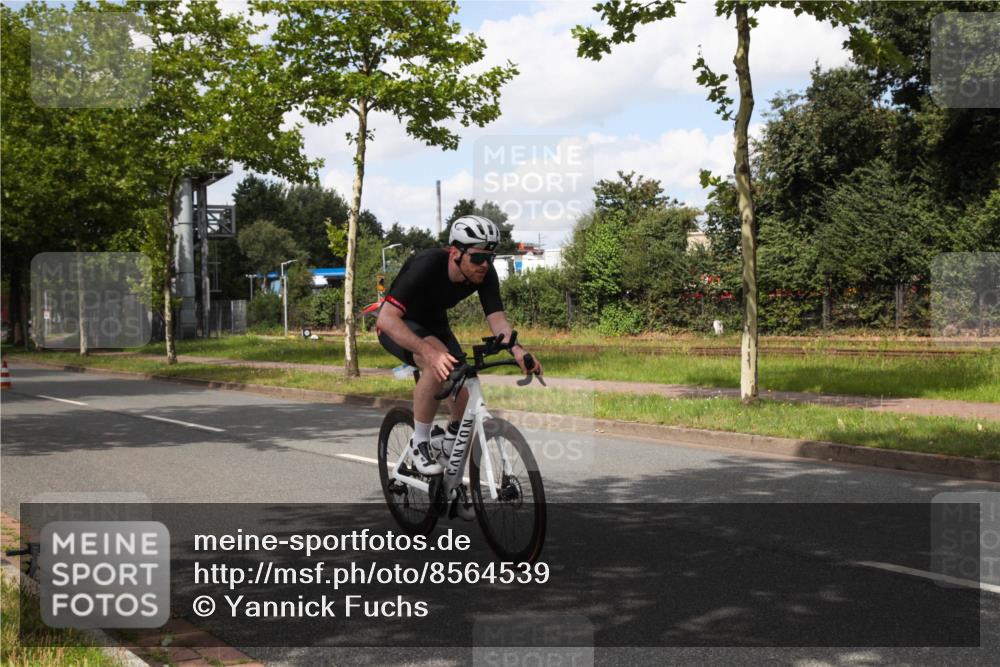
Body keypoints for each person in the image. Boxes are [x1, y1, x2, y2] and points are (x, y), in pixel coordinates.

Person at [376, 215, 543, 478]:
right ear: (455, 253)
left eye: (491, 258)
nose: (485, 265)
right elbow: (386, 318)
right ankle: (420, 441)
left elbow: (498, 321)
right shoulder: (427, 264)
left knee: (464, 384)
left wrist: (518, 350)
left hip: (436, 326)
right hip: (399, 325)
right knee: (437, 362)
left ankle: (451, 476)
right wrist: (428, 352)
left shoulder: (485, 274)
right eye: (478, 258)